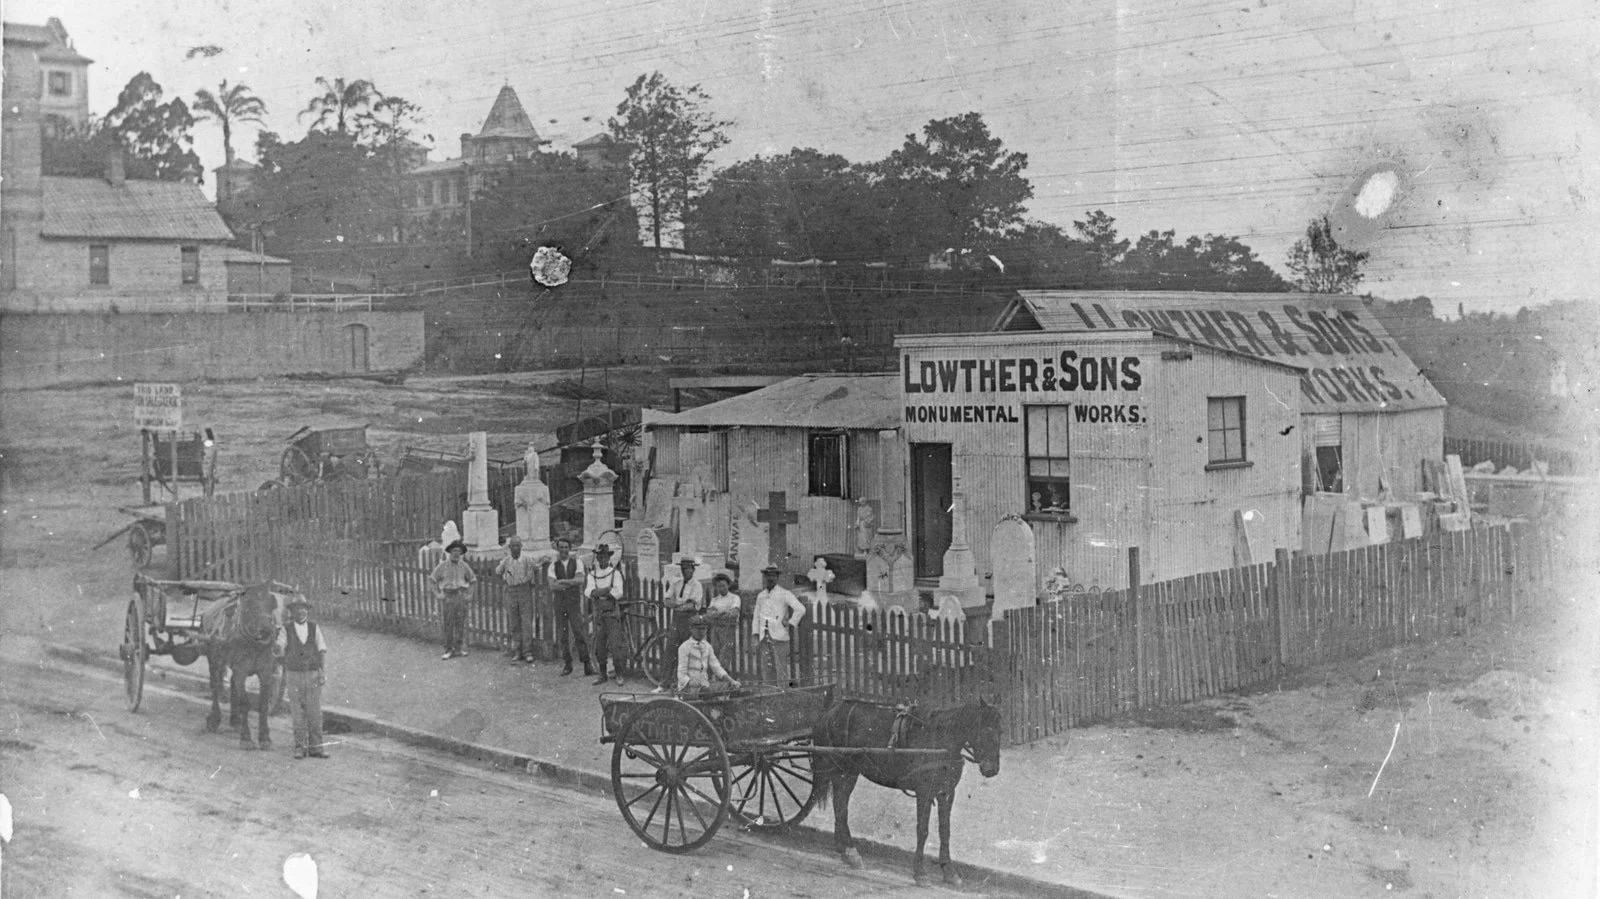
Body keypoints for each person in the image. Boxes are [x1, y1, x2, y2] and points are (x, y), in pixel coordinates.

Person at [275, 597, 328, 760]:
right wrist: (277, 647)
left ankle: (316, 747)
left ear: (307, 610)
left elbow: (321, 650)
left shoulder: (314, 628)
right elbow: (279, 646)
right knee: (297, 713)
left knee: (315, 712)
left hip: (312, 674)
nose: (301, 611)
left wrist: (322, 672)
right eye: (297, 608)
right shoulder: (286, 629)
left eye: (303, 608)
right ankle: (300, 747)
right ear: (292, 612)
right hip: (294, 675)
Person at [751, 564, 806, 685]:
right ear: (765, 578)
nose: (770, 578)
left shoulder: (784, 593)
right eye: (768, 576)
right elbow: (756, 617)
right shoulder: (761, 596)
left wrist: (790, 623)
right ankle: (770, 695)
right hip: (764, 637)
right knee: (767, 669)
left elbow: (801, 609)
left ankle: (782, 694)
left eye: (773, 576)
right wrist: (755, 633)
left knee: (780, 669)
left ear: (777, 578)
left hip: (779, 637)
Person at [545, 537, 592, 676]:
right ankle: (567, 664)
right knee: (562, 634)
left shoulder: (577, 562)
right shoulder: (553, 565)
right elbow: (552, 585)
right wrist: (570, 583)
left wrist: (564, 581)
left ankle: (587, 664)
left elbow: (580, 580)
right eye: (561, 548)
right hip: (560, 604)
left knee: (579, 632)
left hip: (573, 603)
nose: (564, 550)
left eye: (566, 547)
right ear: (558, 549)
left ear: (570, 549)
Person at [584, 543, 626, 686]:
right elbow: (589, 592)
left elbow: (618, 593)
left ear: (609, 558)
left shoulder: (616, 573)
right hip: (599, 615)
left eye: (604, 557)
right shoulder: (592, 574)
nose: (602, 559)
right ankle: (602, 674)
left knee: (615, 645)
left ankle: (619, 674)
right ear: (597, 558)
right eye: (600, 557)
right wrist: (606, 590)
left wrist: (600, 592)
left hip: (612, 614)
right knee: (600, 646)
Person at [496, 536, 540, 663]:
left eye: (517, 546)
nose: (515, 548)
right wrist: (505, 582)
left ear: (521, 547)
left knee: (526, 622)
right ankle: (517, 651)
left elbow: (536, 568)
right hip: (511, 591)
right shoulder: (506, 561)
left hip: (524, 591)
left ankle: (528, 652)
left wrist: (532, 581)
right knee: (514, 622)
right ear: (509, 548)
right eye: (513, 546)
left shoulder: (527, 559)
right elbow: (498, 572)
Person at [430, 539, 476, 660]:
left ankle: (459, 648)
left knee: (460, 623)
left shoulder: (464, 566)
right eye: (454, 550)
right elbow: (432, 580)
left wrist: (469, 595)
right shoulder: (443, 566)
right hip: (448, 597)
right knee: (448, 623)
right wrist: (438, 594)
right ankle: (448, 649)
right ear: (450, 552)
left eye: (459, 551)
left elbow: (472, 580)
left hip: (460, 595)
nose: (456, 553)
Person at [677, 616, 739, 695]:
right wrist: (693, 683)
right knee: (708, 691)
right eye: (698, 629)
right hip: (688, 689)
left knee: (731, 687)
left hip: (705, 686)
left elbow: (716, 667)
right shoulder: (685, 647)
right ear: (691, 629)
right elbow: (681, 674)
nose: (701, 632)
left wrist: (731, 681)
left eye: (704, 629)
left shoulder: (707, 646)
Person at [703, 572, 741, 666]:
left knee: (725, 654)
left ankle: (724, 676)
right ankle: (718, 676)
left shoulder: (734, 598)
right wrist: (723, 612)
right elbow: (709, 615)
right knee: (715, 652)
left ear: (728, 585)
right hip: (716, 629)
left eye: (723, 586)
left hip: (728, 629)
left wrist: (717, 614)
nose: (721, 588)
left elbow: (733, 614)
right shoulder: (715, 599)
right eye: (719, 586)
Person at [667, 557, 706, 649]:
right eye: (683, 569)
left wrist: (676, 605)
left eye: (688, 568)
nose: (685, 571)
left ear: (693, 570)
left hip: (689, 620)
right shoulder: (676, 583)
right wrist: (675, 604)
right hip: (676, 620)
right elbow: (667, 600)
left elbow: (691, 605)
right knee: (672, 649)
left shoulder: (697, 585)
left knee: (688, 649)